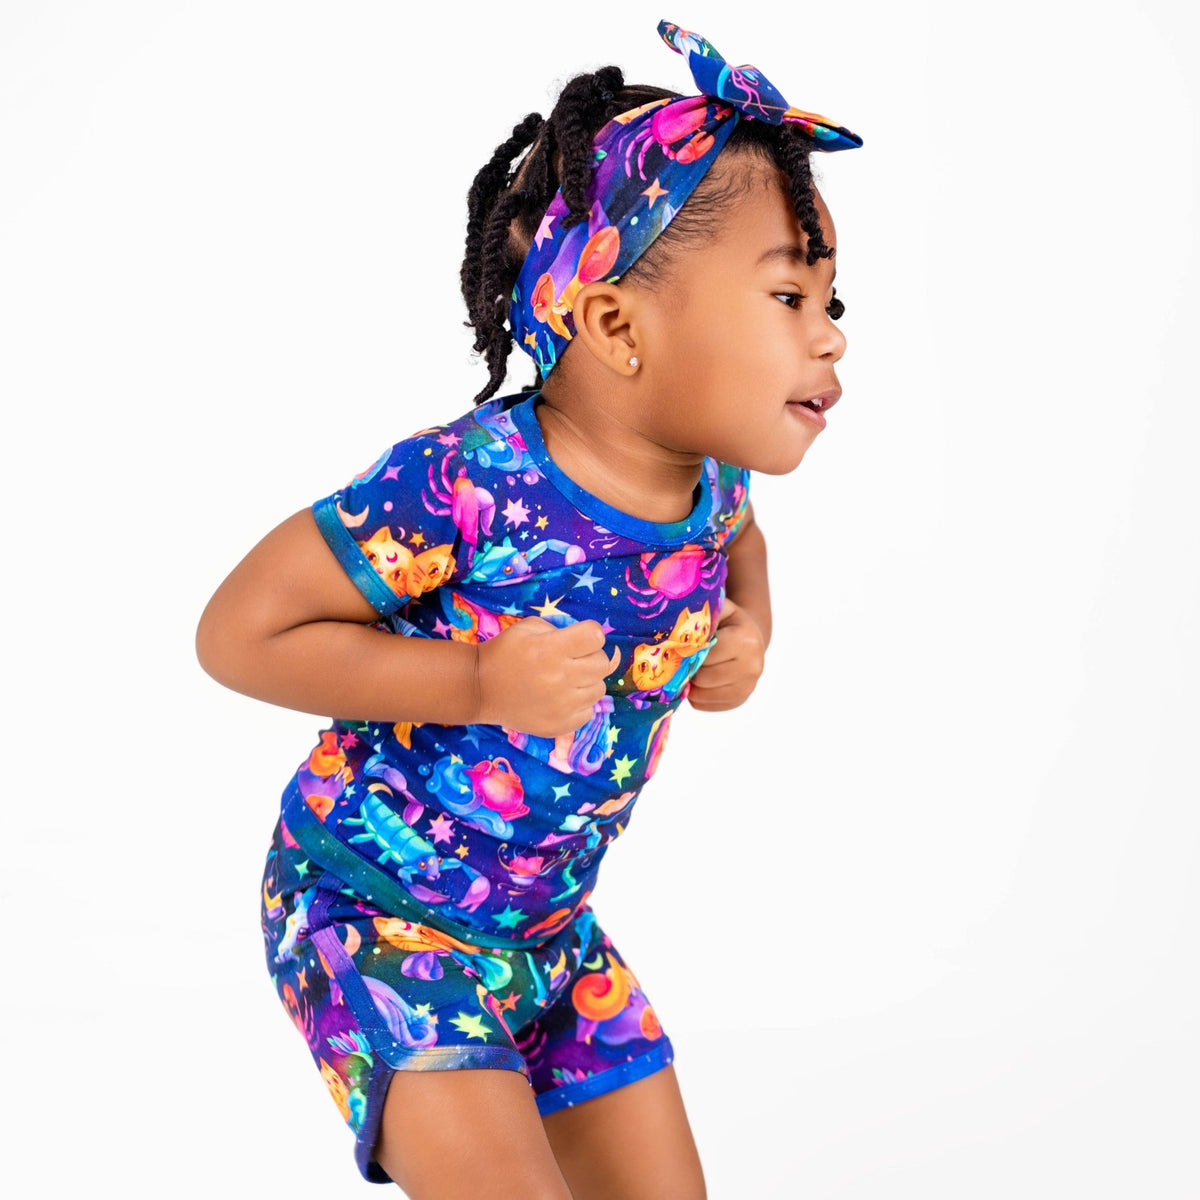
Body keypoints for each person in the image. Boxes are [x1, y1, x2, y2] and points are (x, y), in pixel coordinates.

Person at [196, 19, 861, 1199]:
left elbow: (740, 539)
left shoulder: (715, 474)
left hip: (551, 939)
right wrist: (476, 685)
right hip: (375, 913)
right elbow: (239, 633)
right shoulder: (468, 483)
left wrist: (751, 625)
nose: (831, 336)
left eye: (831, 299)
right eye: (787, 295)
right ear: (617, 326)